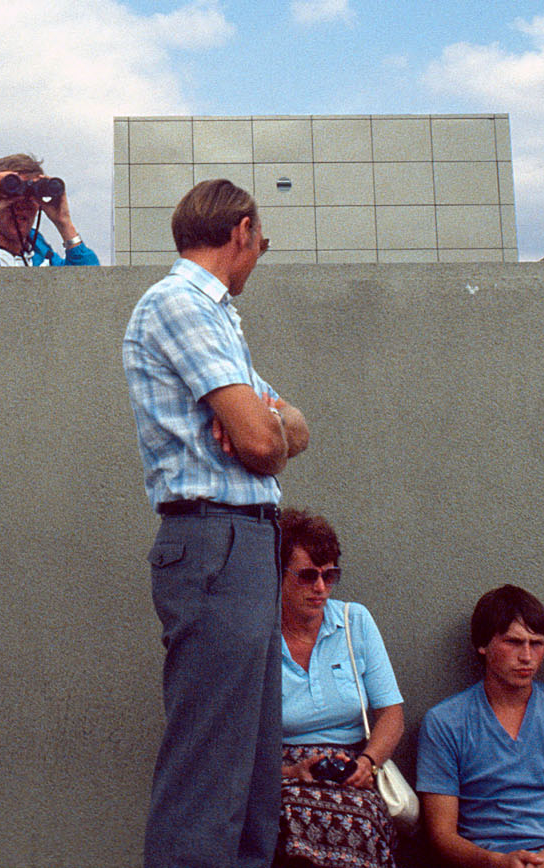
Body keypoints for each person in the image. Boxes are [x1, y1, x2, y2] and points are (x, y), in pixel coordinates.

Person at [125, 178, 312, 868]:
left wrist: (269, 426)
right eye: (261, 240)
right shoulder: (181, 304)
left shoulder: (216, 318)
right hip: (215, 538)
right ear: (239, 231)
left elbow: (290, 427)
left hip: (241, 539)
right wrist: (266, 430)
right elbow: (264, 445)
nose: (261, 253)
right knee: (210, 780)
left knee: (252, 774)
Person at [415, 586, 544, 868]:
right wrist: (497, 862)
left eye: (536, 643)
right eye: (513, 642)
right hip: (489, 860)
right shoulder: (445, 722)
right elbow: (441, 835)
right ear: (483, 645)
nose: (527, 656)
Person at [276, 508, 405, 868]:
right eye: (307, 576)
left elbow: (392, 715)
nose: (320, 588)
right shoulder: (260, 637)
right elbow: (234, 739)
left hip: (350, 769)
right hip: (283, 770)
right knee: (281, 826)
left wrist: (369, 762)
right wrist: (290, 773)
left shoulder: (354, 622)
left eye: (329, 575)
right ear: (278, 573)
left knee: (363, 822)